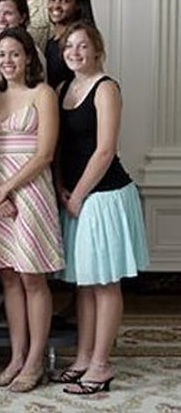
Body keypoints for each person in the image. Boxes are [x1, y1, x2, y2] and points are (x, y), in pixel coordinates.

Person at [51, 23, 149, 395]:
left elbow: (105, 150)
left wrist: (78, 195)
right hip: (75, 195)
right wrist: (63, 186)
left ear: (96, 50)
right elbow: (62, 148)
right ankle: (84, 357)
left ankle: (102, 364)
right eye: (68, 47)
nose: (74, 52)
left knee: (105, 284)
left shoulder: (106, 88)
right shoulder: (63, 89)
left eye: (81, 46)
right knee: (85, 285)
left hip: (104, 196)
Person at [0, 28, 64, 392]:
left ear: (29, 57)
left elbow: (45, 153)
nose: (8, 61)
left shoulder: (42, 94)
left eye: (15, 54)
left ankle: (35, 360)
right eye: (2, 55)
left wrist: (6, 189)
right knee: (9, 276)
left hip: (29, 188)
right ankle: (16, 356)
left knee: (31, 275)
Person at [44, 0, 95, 88]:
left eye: (65, 1)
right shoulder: (52, 39)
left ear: (78, 5)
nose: (56, 5)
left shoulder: (83, 38)